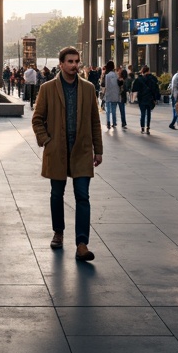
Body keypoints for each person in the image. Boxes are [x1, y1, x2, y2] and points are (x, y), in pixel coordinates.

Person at [32, 46, 103, 262]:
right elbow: (37, 119)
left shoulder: (89, 88)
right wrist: (46, 141)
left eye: (76, 61)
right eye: (69, 62)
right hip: (58, 150)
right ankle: (58, 233)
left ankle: (82, 244)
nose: (74, 65)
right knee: (56, 194)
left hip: (81, 150)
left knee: (83, 196)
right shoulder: (47, 88)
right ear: (61, 64)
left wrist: (98, 150)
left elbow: (94, 121)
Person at [133, 66, 160, 132]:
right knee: (148, 113)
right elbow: (156, 89)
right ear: (148, 71)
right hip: (150, 98)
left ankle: (142, 127)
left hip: (141, 98)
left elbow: (134, 88)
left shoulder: (139, 79)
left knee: (142, 113)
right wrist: (155, 98)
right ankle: (148, 127)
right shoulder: (152, 79)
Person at [102, 60, 120, 130]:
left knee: (108, 110)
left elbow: (106, 86)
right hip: (115, 94)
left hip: (108, 94)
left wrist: (104, 93)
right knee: (114, 109)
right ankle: (114, 122)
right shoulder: (116, 75)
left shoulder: (107, 75)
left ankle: (108, 122)